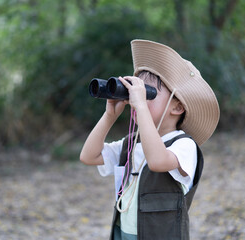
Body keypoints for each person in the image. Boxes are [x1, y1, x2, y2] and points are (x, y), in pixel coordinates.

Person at [80, 39, 220, 240]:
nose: (138, 101)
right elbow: (88, 156)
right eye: (137, 94)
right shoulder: (131, 143)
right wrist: (110, 115)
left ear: (177, 107)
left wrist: (142, 107)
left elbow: (157, 161)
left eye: (148, 94)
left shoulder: (184, 145)